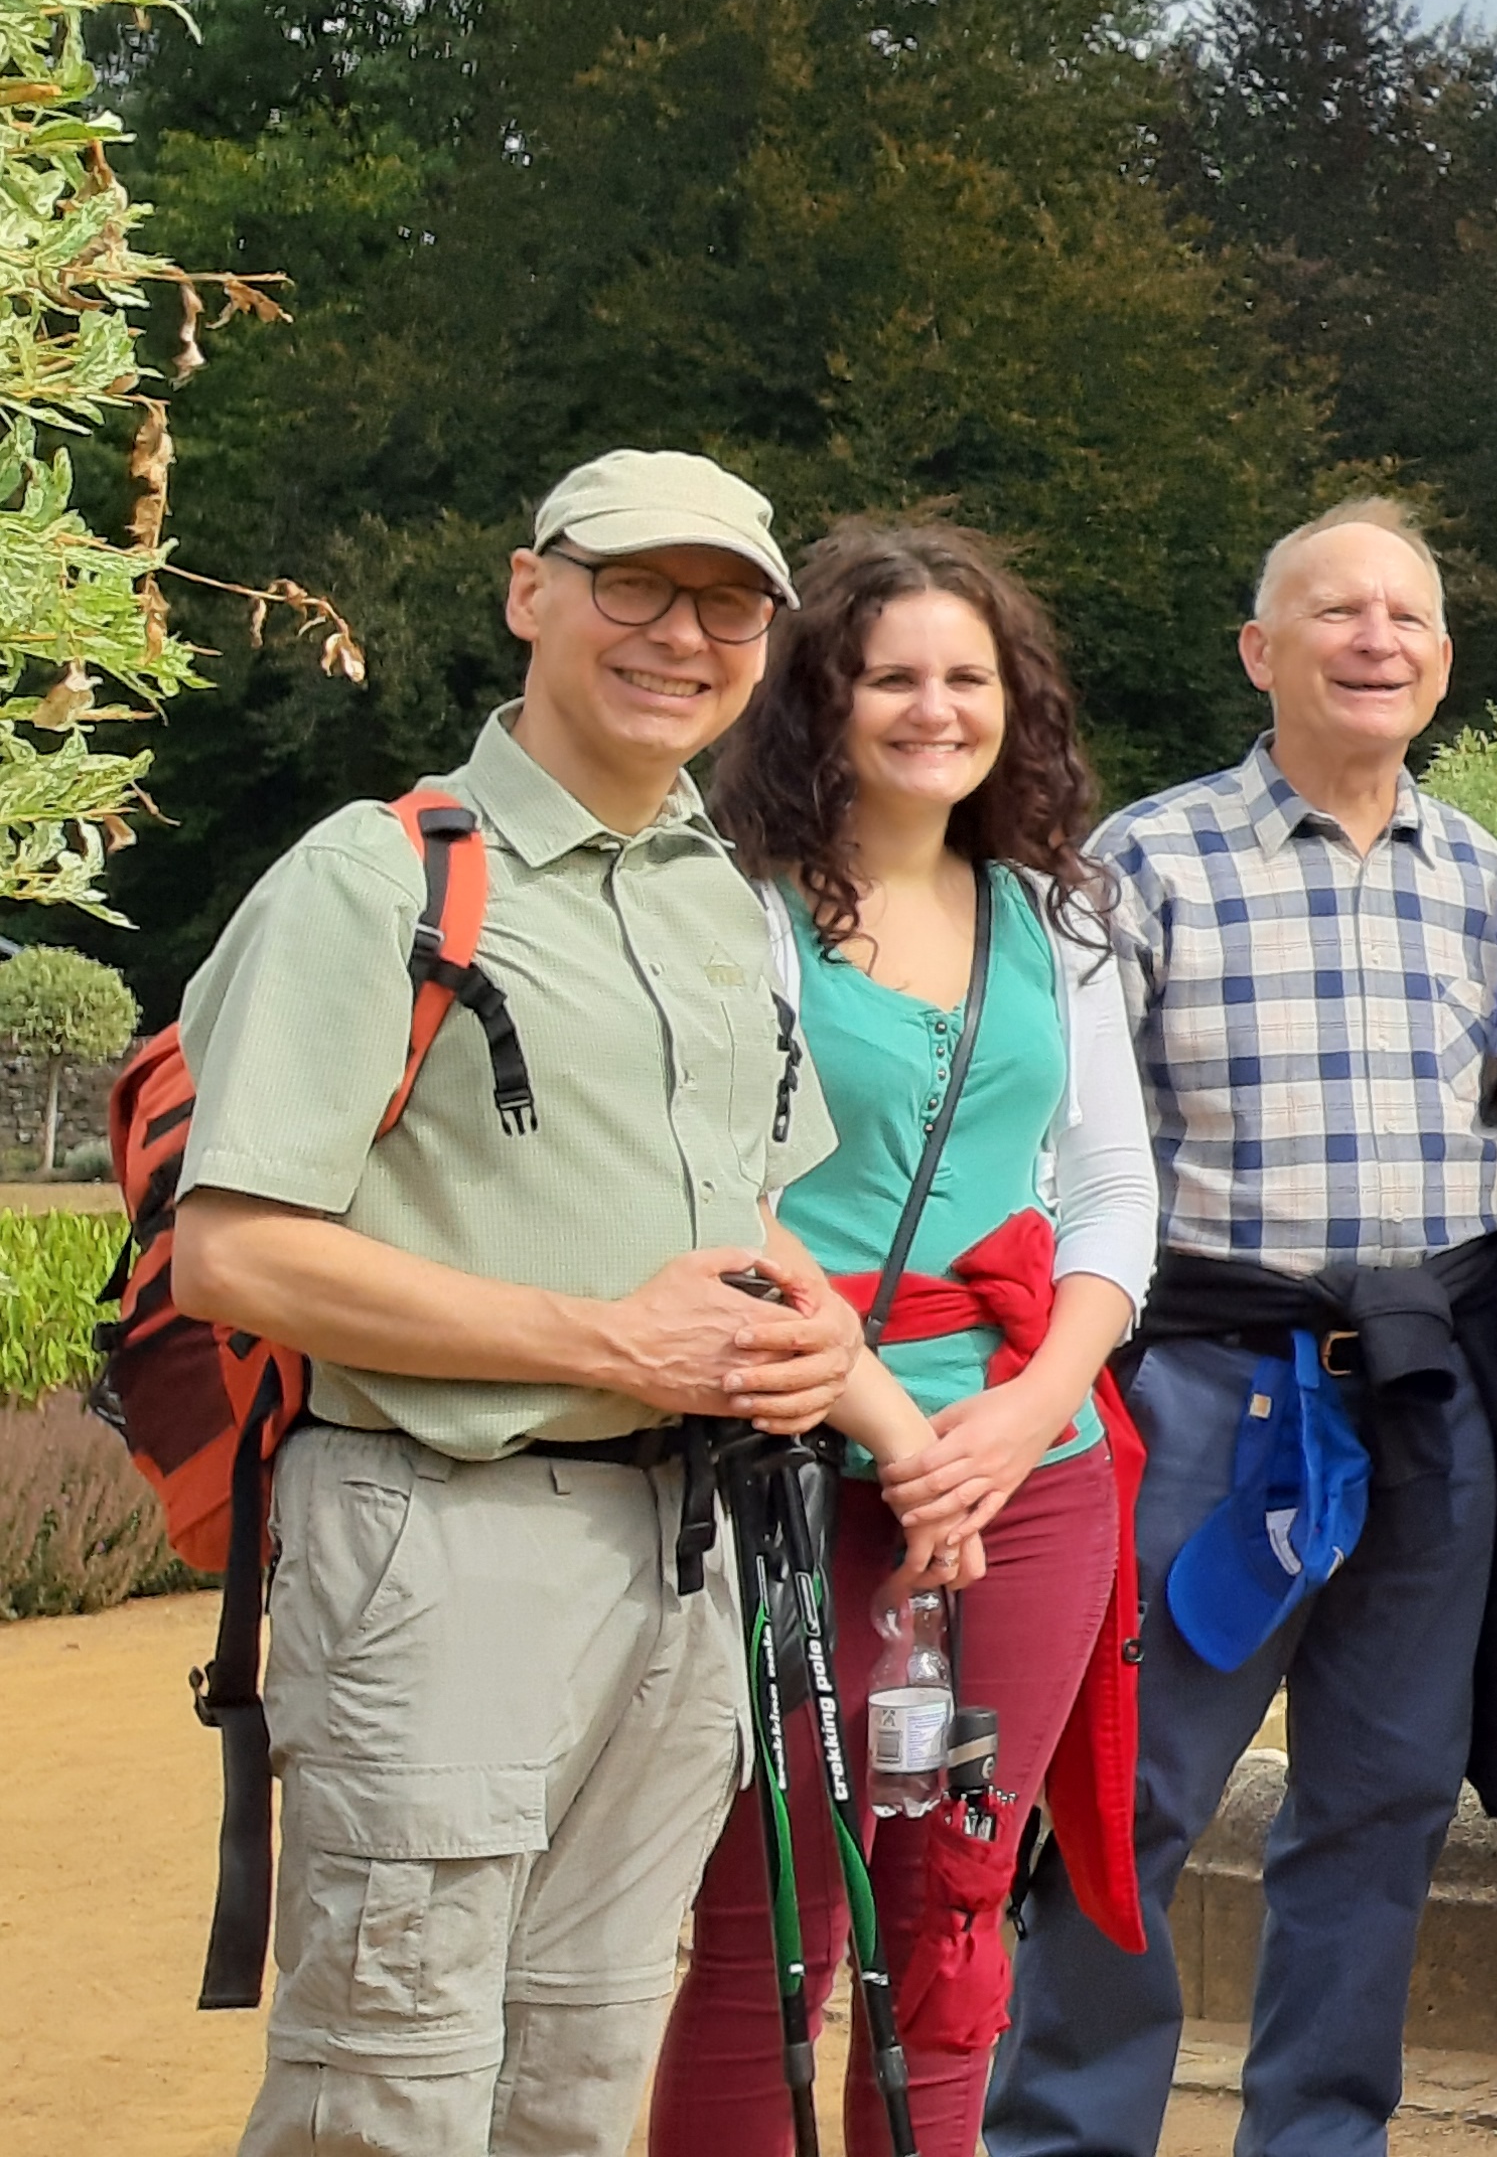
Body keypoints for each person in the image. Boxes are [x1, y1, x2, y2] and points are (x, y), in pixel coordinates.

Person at [173, 449, 946, 2157]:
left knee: (584, 2078)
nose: (683, 634)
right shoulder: (377, 878)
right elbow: (232, 1251)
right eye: (634, 587)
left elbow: (744, 1209)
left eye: (728, 602)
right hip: (438, 1541)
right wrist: (608, 1344)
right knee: (390, 2078)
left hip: (683, 1557)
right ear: (532, 593)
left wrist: (844, 1369)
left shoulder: (724, 903)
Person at [992, 498, 1497, 2157]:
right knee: (1133, 1792)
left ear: (1441, 662)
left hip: (1429, 1394)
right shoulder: (1138, 868)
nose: (1378, 640)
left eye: (1409, 618)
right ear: (1260, 651)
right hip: (1209, 1392)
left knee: (1381, 1798)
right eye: (1337, 612)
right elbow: (1062, 1152)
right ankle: (1072, 2135)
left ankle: (1318, 2137)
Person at [652, 523, 1166, 2157]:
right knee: (772, 1932)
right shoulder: (734, 915)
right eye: (892, 677)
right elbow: (721, 1188)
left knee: (949, 1919)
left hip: (1034, 1466)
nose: (934, 708)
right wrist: (897, 1432)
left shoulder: (1053, 914)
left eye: (968, 676)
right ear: (820, 698)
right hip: (804, 1455)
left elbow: (1108, 1191)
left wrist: (1032, 1412)